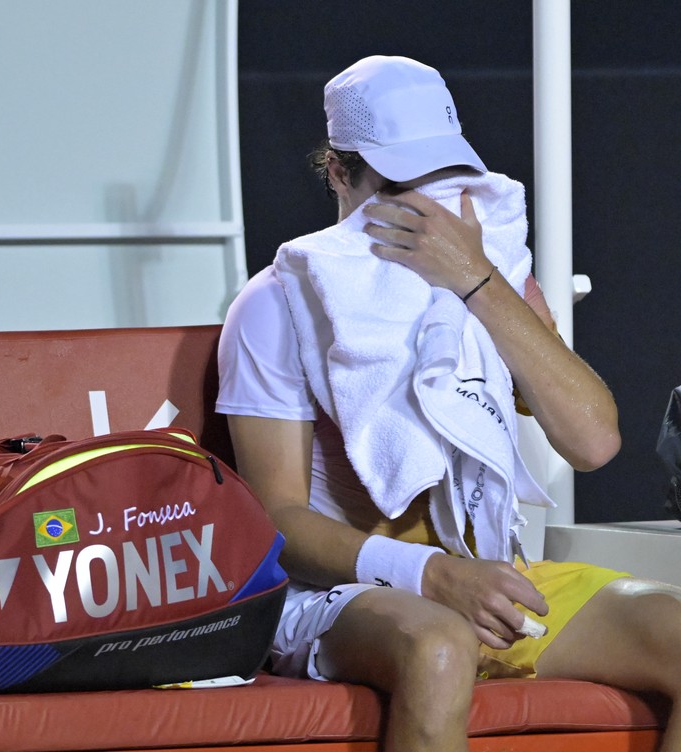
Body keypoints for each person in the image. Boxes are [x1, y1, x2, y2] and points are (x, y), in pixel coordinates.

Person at [216, 55, 681, 751]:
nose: (428, 209)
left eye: (445, 178)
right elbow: (280, 523)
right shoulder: (277, 302)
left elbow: (593, 443)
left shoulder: (492, 281)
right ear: (340, 175)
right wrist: (430, 574)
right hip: (339, 596)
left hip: (489, 576)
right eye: (402, 184)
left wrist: (479, 282)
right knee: (439, 646)